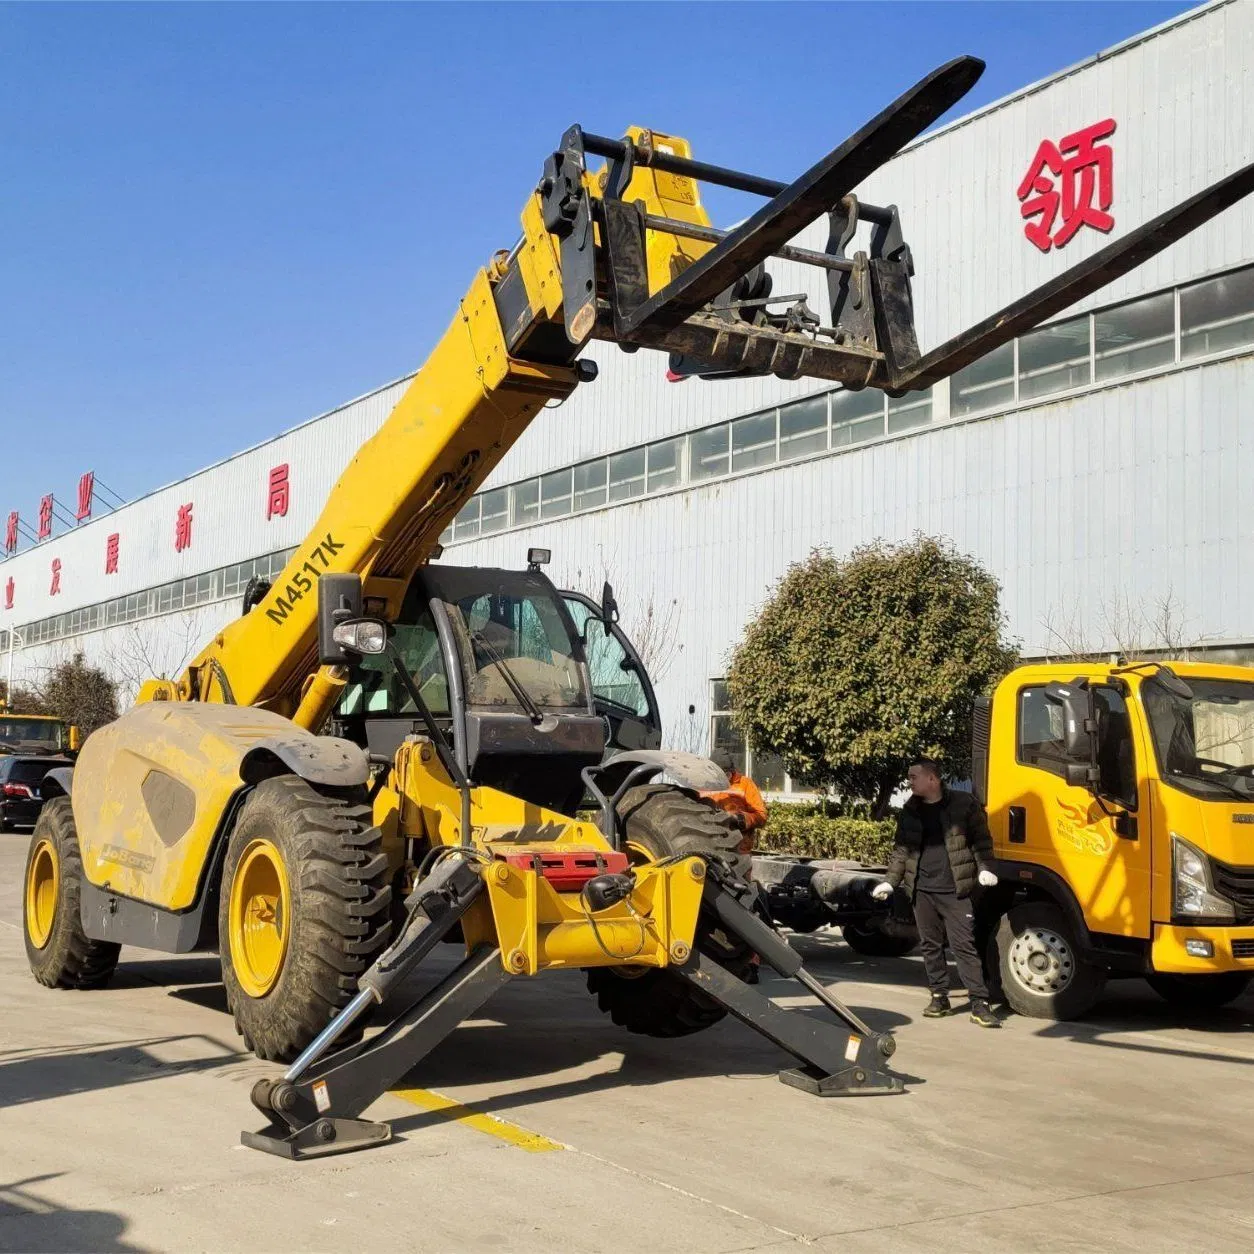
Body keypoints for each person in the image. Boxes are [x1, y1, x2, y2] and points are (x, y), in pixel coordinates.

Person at [871, 758, 1001, 1028]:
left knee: (963, 946)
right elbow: (902, 849)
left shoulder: (964, 804)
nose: (909, 782)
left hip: (956, 890)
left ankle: (979, 1003)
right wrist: (890, 882)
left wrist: (985, 868)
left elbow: (981, 840)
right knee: (930, 946)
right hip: (922, 890)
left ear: (932, 779)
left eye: (913, 777)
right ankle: (939, 997)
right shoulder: (910, 809)